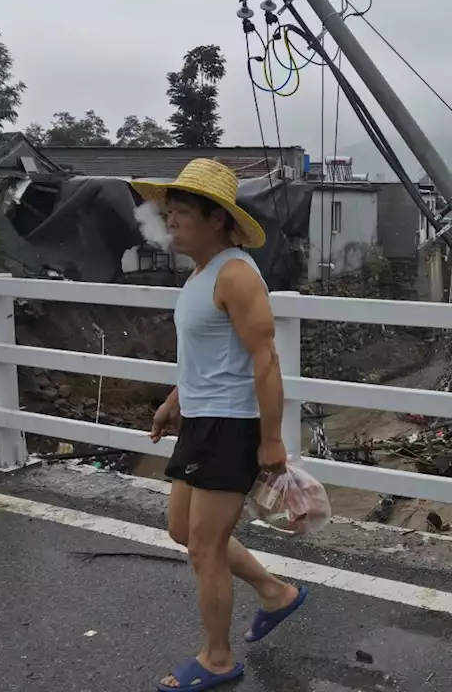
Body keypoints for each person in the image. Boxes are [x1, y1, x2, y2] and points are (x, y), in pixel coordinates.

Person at [135, 159, 308, 691]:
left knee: (204, 548)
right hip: (201, 420)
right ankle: (276, 593)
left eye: (182, 213)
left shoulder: (235, 273)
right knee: (182, 532)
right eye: (169, 213)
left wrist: (273, 439)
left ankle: (217, 658)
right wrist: (174, 401)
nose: (171, 223)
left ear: (217, 219)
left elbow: (265, 359)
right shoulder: (199, 274)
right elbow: (205, 356)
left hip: (232, 426)